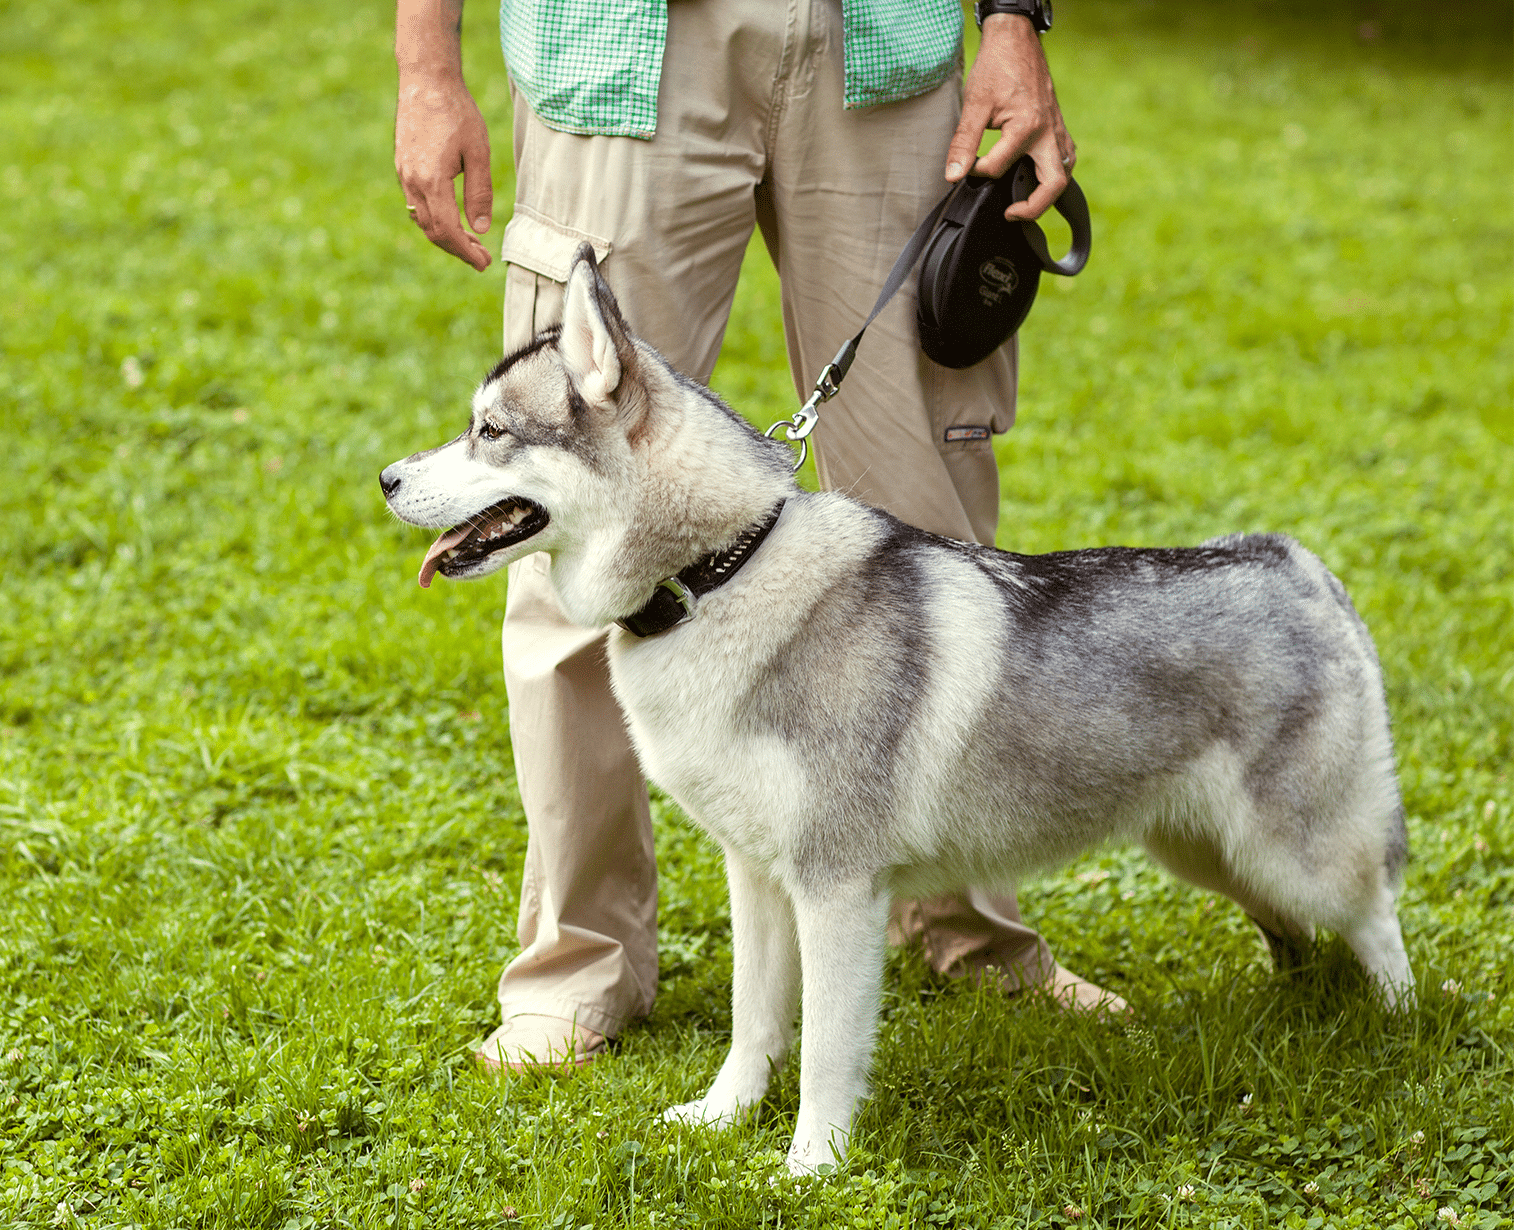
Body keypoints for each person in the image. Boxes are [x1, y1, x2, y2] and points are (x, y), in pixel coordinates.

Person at [394, 0, 1124, 1072]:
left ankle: (970, 924)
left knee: (932, 509)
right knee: (568, 519)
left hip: (883, 38)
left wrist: (1012, 21)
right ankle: (580, 964)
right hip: (618, 42)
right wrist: (426, 65)